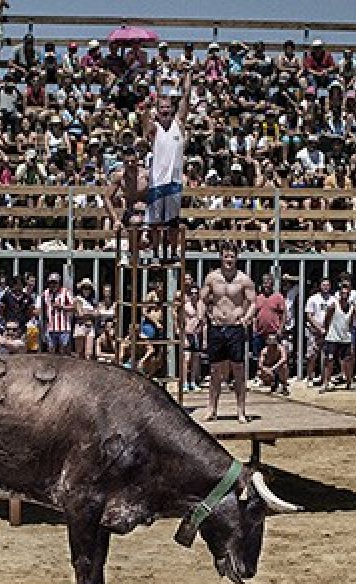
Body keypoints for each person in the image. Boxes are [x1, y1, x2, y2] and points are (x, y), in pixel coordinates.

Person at [198, 242, 256, 423]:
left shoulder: (244, 280)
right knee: (215, 370)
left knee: (238, 369)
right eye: (226, 256)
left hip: (235, 327)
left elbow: (253, 302)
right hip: (216, 327)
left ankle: (241, 411)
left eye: (232, 256)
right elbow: (202, 299)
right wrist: (202, 316)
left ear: (236, 258)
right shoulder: (212, 278)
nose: (229, 260)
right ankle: (211, 409)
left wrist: (246, 318)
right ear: (221, 257)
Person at [143, 69, 191, 256]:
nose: (165, 112)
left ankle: (171, 252)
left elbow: (186, 97)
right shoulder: (155, 129)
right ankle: (155, 253)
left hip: (174, 181)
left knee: (173, 222)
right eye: (161, 109)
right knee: (154, 223)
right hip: (157, 181)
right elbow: (145, 122)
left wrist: (187, 73)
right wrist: (148, 106)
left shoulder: (178, 124)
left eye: (167, 109)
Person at [104, 146, 149, 233]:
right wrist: (115, 219)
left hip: (147, 210)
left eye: (132, 161)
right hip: (130, 212)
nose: (130, 164)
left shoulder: (146, 175)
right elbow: (107, 198)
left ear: (137, 160)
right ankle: (133, 245)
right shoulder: (120, 177)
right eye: (126, 162)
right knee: (135, 221)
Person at [320, 285, 356, 392]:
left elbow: (351, 322)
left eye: (347, 294)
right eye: (343, 293)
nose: (345, 296)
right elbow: (327, 319)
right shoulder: (333, 305)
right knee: (329, 360)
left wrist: (350, 335)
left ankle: (349, 383)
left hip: (345, 337)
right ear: (340, 294)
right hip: (332, 336)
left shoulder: (352, 307)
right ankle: (326, 382)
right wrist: (326, 331)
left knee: (348, 360)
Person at [253, 273, 285, 376]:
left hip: (273, 332)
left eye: (268, 282)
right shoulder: (258, 297)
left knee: (274, 355)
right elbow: (254, 314)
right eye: (264, 282)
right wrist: (254, 328)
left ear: (272, 283)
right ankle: (261, 376)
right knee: (259, 355)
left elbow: (283, 314)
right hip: (260, 332)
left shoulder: (278, 297)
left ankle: (275, 377)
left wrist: (280, 328)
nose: (266, 285)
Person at [36, 272, 73, 355]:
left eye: (55, 282)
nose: (53, 285)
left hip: (64, 328)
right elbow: (41, 310)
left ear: (59, 283)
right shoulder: (45, 294)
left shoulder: (65, 292)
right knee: (51, 351)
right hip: (50, 328)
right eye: (51, 282)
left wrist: (62, 307)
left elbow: (73, 307)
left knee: (63, 351)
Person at [304, 277, 332, 387]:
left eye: (327, 285)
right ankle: (310, 377)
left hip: (328, 332)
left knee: (327, 357)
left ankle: (325, 379)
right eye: (324, 285)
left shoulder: (333, 299)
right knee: (312, 356)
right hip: (314, 332)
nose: (326, 287)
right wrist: (319, 328)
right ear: (320, 286)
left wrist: (327, 329)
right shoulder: (313, 299)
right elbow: (309, 315)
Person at [73, 278, 97, 359]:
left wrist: (87, 312)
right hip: (80, 326)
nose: (86, 290)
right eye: (84, 288)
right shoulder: (77, 299)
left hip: (90, 326)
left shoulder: (92, 301)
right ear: (81, 289)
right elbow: (80, 313)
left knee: (88, 354)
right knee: (79, 353)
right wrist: (91, 313)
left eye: (88, 288)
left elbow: (97, 314)